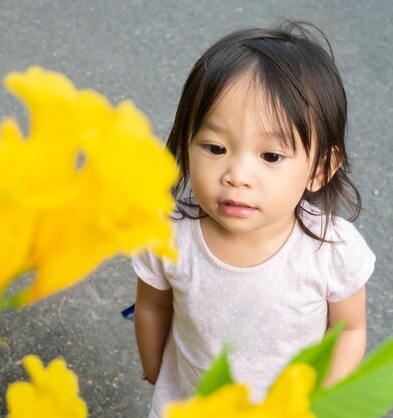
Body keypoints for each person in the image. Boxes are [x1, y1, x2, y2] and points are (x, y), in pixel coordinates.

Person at [132, 21, 375, 418]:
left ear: (320, 168)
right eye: (215, 147)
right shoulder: (169, 236)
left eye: (271, 156)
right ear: (184, 144)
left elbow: (348, 330)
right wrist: (155, 370)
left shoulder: (330, 249)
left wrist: (325, 401)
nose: (237, 175)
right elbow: (152, 308)